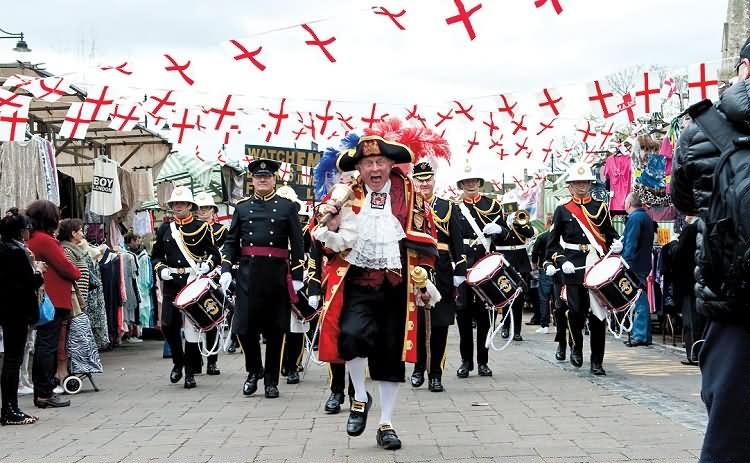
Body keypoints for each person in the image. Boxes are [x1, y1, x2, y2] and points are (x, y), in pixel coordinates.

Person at [313, 136, 439, 450]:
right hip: (357, 282)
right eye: (367, 163)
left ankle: (386, 423)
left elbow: (426, 236)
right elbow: (324, 243)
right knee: (351, 338)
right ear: (359, 168)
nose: (374, 168)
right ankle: (359, 395)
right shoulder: (345, 195)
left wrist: (425, 280)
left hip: (397, 286)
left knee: (390, 354)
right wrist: (330, 221)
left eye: (379, 162)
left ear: (390, 165)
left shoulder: (409, 194)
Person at [671, 35, 750, 462]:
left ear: (744, 68)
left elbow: (684, 201)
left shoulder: (700, 128)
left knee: (729, 440)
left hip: (733, 309)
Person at [219, 159, 305, 399]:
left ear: (274, 178)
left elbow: (298, 245)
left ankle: (271, 380)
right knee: (243, 328)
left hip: (276, 274)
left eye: (267, 176)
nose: (263, 180)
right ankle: (253, 370)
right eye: (258, 177)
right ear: (253, 180)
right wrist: (226, 268)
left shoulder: (287, 207)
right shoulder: (243, 207)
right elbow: (231, 241)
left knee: (276, 330)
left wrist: (297, 275)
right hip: (248, 274)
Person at [545, 163, 620, 376]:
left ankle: (597, 361)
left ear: (589, 184)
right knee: (576, 313)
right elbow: (552, 244)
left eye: (584, 182)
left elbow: (609, 232)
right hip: (573, 266)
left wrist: (616, 243)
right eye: (576, 182)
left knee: (598, 315)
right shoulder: (563, 210)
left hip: (595, 263)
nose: (580, 186)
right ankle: (576, 347)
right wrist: (561, 261)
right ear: (570, 186)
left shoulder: (600, 207)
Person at [151, 186, 221, 389]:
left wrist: (208, 264)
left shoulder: (202, 226)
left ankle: (190, 372)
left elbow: (214, 254)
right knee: (167, 325)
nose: (178, 207)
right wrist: (160, 268)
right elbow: (156, 255)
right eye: (174, 204)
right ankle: (178, 362)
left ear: (190, 206)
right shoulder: (165, 228)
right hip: (171, 281)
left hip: (192, 279)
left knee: (192, 329)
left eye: (181, 204)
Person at [409, 161, 465, 392]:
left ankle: (436, 374)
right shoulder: (408, 205)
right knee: (419, 323)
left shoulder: (448, 206)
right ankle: (418, 366)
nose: (424, 183)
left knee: (440, 325)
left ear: (434, 181)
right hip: (415, 266)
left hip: (441, 270)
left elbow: (457, 242)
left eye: (428, 179)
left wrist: (459, 272)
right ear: (414, 181)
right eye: (420, 179)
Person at [454, 160, 510, 379]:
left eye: (474, 180)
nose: (471, 184)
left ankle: (483, 362)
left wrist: (499, 229)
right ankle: (466, 361)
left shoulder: (493, 206)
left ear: (479, 183)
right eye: (466, 181)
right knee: (464, 315)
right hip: (464, 264)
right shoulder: (454, 207)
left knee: (486, 314)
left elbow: (506, 233)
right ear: (462, 184)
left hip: (485, 264)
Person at [26, 200, 80, 408]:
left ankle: (43, 390)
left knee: (43, 344)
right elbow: (68, 268)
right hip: (52, 299)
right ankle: (44, 391)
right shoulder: (45, 240)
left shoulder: (33, 239)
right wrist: (74, 271)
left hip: (44, 298)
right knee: (47, 345)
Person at [0, 208, 44, 425]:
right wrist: (38, 273)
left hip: (9, 310)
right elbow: (27, 282)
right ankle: (10, 409)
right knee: (13, 360)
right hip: (16, 311)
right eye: (27, 228)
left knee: (12, 360)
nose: (29, 231)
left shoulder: (6, 248)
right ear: (20, 231)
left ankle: (10, 408)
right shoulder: (16, 252)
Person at [194, 192, 227, 376]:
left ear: (213, 210)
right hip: (196, 274)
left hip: (213, 276)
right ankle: (195, 359)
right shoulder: (191, 228)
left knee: (212, 317)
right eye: (199, 208)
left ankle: (212, 361)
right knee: (194, 319)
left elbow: (225, 254)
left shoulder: (221, 230)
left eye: (206, 208)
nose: (202, 211)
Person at [496, 196, 535, 341]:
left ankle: (517, 330)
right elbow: (495, 240)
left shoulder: (521, 219)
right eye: (507, 207)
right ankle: (505, 326)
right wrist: (503, 226)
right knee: (506, 296)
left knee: (519, 298)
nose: (510, 210)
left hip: (520, 261)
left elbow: (530, 233)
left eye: (512, 206)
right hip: (505, 261)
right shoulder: (498, 221)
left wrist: (519, 224)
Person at [57, 219, 91, 387]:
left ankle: (67, 370)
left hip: (77, 300)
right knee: (65, 335)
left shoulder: (75, 250)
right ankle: (61, 372)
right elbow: (69, 272)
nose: (83, 234)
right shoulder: (67, 250)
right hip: (70, 300)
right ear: (73, 233)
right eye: (80, 231)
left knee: (69, 334)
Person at [620, 193, 656, 347]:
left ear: (628, 204)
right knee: (641, 298)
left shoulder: (635, 219)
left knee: (638, 299)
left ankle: (640, 335)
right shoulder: (646, 218)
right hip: (643, 263)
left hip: (634, 265)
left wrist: (625, 263)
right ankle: (644, 335)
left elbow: (631, 243)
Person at [530, 214, 554, 335]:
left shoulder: (542, 237)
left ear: (547, 223)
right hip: (559, 269)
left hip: (545, 269)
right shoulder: (561, 236)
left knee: (544, 298)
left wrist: (534, 266)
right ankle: (559, 323)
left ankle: (544, 325)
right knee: (559, 297)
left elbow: (535, 253)